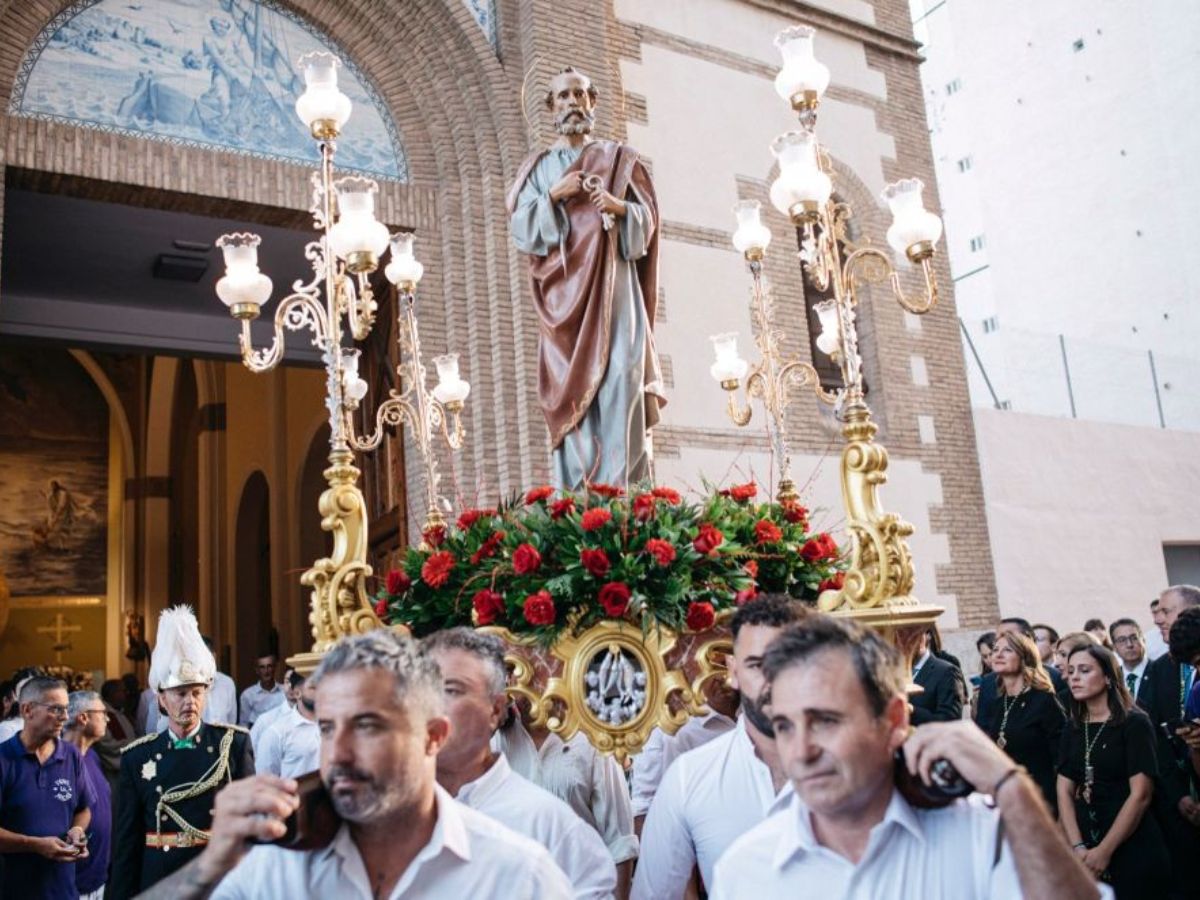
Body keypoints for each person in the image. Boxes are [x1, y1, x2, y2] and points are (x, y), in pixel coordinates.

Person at [134, 629, 572, 899]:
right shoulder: (280, 870)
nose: (338, 753)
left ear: (433, 736)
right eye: (326, 728)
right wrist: (212, 865)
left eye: (367, 727)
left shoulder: (516, 877)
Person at [710, 615, 1104, 900]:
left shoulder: (980, 835)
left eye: (826, 721)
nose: (801, 752)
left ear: (895, 719)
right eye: (784, 726)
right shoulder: (745, 870)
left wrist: (1013, 790)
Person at [507, 66, 665, 489]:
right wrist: (556, 195)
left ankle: (625, 498)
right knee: (575, 398)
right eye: (563, 96)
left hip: (616, 294)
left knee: (621, 382)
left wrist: (618, 207)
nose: (572, 103)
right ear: (550, 107)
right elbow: (522, 229)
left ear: (592, 101)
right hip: (564, 306)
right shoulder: (538, 169)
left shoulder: (619, 160)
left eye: (580, 95)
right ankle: (578, 504)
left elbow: (646, 227)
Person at [631, 596, 803, 900]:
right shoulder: (689, 778)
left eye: (788, 660)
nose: (771, 681)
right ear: (733, 671)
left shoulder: (857, 769)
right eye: (756, 664)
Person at [425, 628, 617, 899]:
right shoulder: (385, 818)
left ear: (494, 710)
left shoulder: (550, 824)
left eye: (451, 690)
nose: (431, 704)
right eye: (423, 687)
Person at [109, 606, 253, 899]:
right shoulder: (138, 757)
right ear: (161, 699)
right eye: (181, 693)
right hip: (160, 878)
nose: (190, 701)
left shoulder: (232, 744)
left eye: (197, 692)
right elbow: (127, 841)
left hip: (217, 878)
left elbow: (249, 827)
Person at [1057, 643, 1169, 898]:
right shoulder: (1074, 726)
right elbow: (1064, 788)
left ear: (1108, 677)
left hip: (1130, 842)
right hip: (1085, 839)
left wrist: (1104, 851)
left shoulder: (1134, 723)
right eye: (1071, 670)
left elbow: (1141, 794)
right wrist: (1077, 846)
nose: (1074, 677)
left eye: (1084, 670)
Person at [494, 709, 637, 881]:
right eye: (519, 679)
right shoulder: (494, 739)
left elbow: (620, 842)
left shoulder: (591, 737)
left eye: (536, 679)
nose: (527, 683)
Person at [0, 676, 94, 900]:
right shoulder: (4, 759)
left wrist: (77, 831)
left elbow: (83, 808)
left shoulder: (70, 755)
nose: (64, 717)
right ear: (27, 710)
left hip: (63, 891)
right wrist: (34, 845)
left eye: (66, 709)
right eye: (55, 709)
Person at [1140, 583, 1200, 898]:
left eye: (1166, 611)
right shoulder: (1160, 669)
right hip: (1179, 804)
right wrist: (1180, 796)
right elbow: (1155, 738)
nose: (1158, 619)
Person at [630, 676, 737, 833]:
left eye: (724, 664)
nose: (721, 677)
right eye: (715, 664)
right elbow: (644, 804)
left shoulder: (759, 718)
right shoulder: (674, 729)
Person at [978, 631, 1064, 810]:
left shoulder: (1043, 700)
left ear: (1025, 657)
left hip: (1040, 799)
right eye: (995, 650)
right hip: (1006, 799)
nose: (998, 655)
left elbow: (1062, 759)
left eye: (1008, 650)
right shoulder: (997, 703)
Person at [64, 691, 112, 900]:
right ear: (83, 717)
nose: (108, 718)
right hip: (72, 883)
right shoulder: (60, 761)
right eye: (102, 713)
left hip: (97, 878)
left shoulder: (92, 756)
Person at [977, 619, 1066, 725]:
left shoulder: (1054, 680)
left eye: (1008, 647)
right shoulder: (989, 684)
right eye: (996, 645)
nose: (999, 653)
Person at [255, 674, 319, 779]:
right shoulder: (276, 733)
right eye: (313, 687)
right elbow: (265, 782)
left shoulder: (337, 725)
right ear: (298, 693)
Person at [910, 628, 965, 724]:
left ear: (925, 637)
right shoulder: (893, 672)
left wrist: (912, 710)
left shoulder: (947, 671)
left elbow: (950, 721)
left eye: (912, 635)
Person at [249, 668, 299, 759]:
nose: (291, 686)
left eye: (297, 682)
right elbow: (249, 751)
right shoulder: (266, 721)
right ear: (283, 685)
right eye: (287, 681)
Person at [1109, 619, 1152, 706]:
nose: (1129, 644)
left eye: (1134, 638)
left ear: (1143, 640)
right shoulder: (1112, 678)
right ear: (1114, 647)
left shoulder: (1160, 670)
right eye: (1122, 640)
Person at [237, 653, 284, 727]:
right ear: (257, 670)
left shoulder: (285, 692)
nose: (266, 671)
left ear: (275, 668)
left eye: (269, 666)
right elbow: (244, 725)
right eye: (262, 667)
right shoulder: (248, 695)